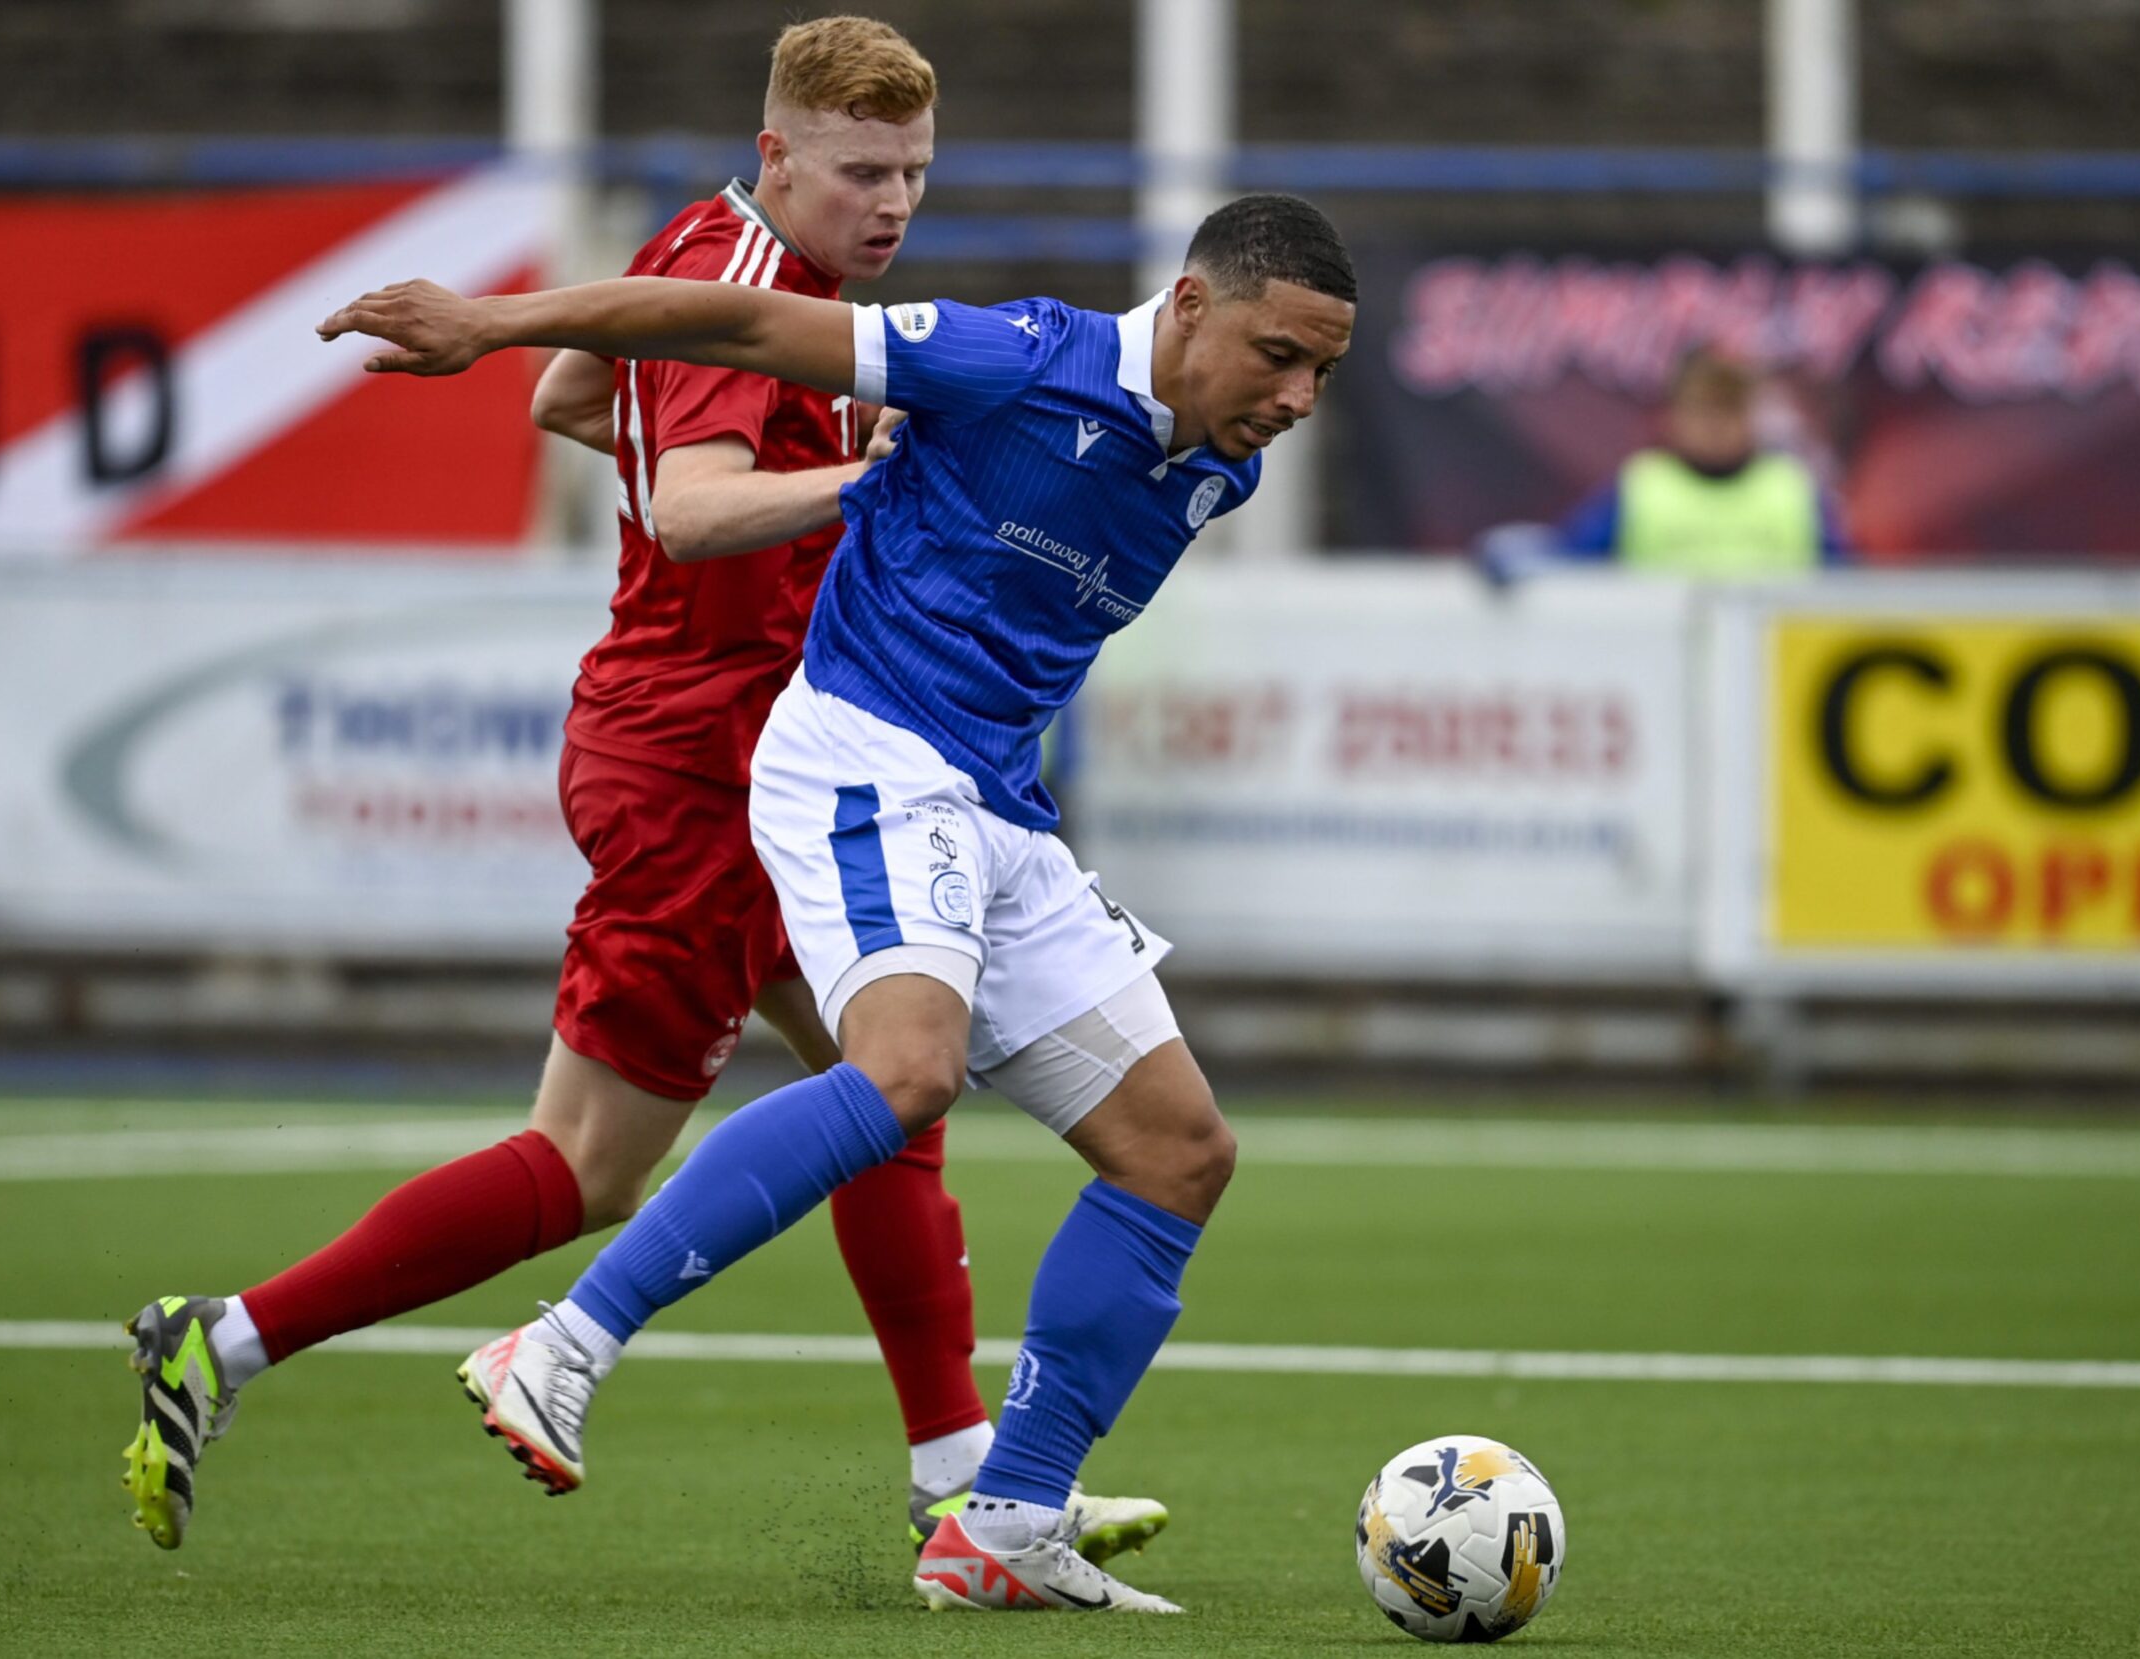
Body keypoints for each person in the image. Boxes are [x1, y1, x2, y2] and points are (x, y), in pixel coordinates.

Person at [117, 15, 1162, 1568]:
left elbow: (564, 402)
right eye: (861, 171)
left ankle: (958, 1472)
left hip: (759, 745)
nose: (892, 205)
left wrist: (778, 429)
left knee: (893, 1080)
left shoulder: (751, 276)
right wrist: (867, 478)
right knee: (596, 1166)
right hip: (704, 763)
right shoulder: (740, 274)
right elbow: (684, 508)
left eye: (915, 175)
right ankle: (230, 1336)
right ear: (776, 155)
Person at [318, 189, 1357, 1613]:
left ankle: (1006, 1522)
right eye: (1279, 354)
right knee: (907, 1071)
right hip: (861, 756)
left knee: (1180, 1150)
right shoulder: (1019, 357)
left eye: (1324, 372)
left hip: (997, 804)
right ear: (1187, 307)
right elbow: (739, 320)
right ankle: (562, 1341)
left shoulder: (1214, 464)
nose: (1297, 396)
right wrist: (487, 325)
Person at [1520, 347, 1849, 579]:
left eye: (1729, 408)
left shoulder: (1793, 491)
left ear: (1753, 416)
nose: (1716, 424)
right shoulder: (1640, 489)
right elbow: (1565, 567)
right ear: (1672, 416)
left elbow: (1852, 589)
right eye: (1703, 409)